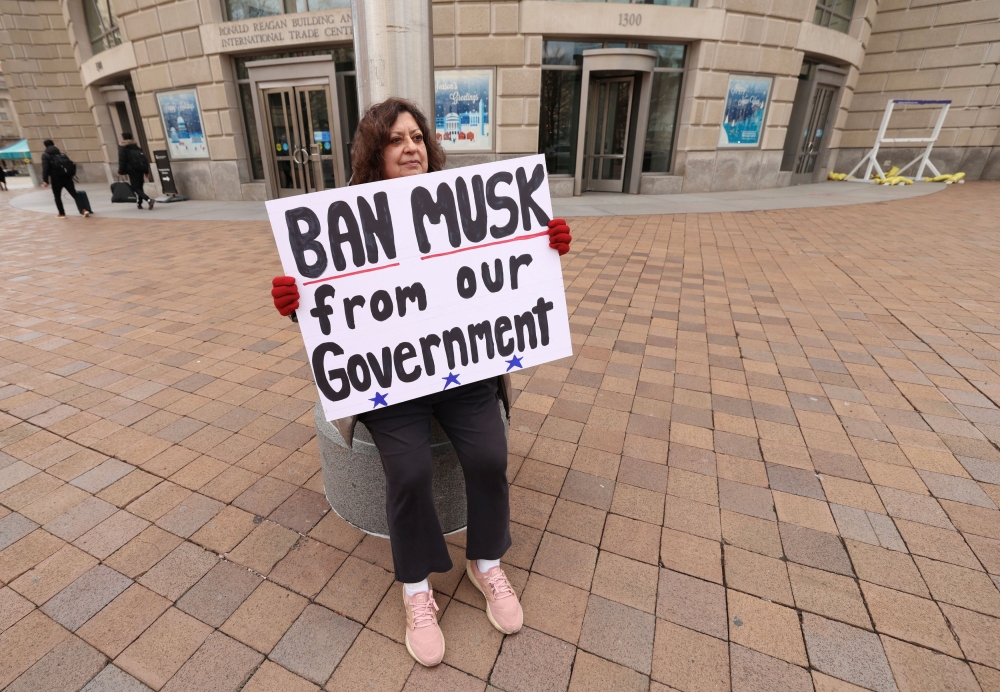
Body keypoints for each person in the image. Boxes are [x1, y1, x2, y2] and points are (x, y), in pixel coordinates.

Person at [271, 98, 572, 668]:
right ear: (374, 152)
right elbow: (333, 305)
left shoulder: (466, 204)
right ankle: (415, 587)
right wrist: (295, 302)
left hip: (463, 368)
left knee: (489, 455)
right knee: (407, 472)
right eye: (395, 140)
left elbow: (508, 273)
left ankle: (486, 563)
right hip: (394, 377)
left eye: (417, 136)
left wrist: (544, 248)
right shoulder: (346, 218)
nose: (410, 147)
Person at [41, 140, 89, 218]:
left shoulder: (45, 155)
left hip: (56, 178)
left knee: (57, 196)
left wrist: (45, 180)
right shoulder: (61, 154)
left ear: (45, 146)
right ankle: (83, 210)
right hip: (67, 177)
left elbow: (45, 168)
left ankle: (61, 213)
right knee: (74, 194)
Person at [117, 133, 154, 210]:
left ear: (123, 138)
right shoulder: (136, 147)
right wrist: (146, 172)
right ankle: (139, 203)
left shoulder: (123, 147)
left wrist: (120, 171)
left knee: (135, 187)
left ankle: (149, 200)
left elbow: (122, 161)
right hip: (140, 169)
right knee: (139, 186)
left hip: (132, 170)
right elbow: (143, 159)